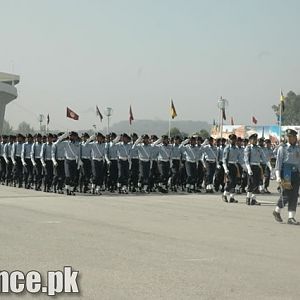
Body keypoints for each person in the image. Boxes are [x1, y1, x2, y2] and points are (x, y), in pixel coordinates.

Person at [273, 129, 300, 225]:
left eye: (291, 137)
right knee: (286, 195)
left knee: (294, 195)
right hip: (286, 173)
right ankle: (276, 211)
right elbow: (278, 164)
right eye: (288, 137)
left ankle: (291, 217)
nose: (289, 138)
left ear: (295, 137)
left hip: (296, 174)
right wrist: (278, 176)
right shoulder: (282, 148)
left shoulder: (298, 148)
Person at [244, 133, 272, 205]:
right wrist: (249, 169)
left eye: (256, 139)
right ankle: (248, 198)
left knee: (256, 183)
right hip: (251, 167)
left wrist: (269, 166)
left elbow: (264, 158)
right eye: (254, 139)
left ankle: (253, 199)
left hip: (258, 167)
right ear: (250, 140)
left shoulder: (259, 148)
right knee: (250, 183)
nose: (255, 141)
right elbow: (246, 160)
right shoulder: (248, 148)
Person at [222, 134, 241, 203]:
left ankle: (232, 197)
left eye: (234, 139)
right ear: (229, 140)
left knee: (234, 182)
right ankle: (224, 194)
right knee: (231, 181)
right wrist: (225, 168)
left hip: (235, 166)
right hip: (229, 166)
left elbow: (239, 159)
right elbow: (224, 159)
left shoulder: (237, 149)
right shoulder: (227, 148)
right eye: (231, 139)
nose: (233, 140)